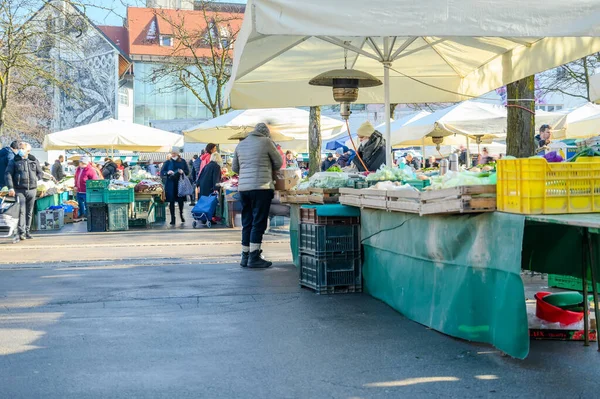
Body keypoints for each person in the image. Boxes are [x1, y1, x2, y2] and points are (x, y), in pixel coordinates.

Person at [232, 123, 283, 269]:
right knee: (259, 221)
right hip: (261, 187)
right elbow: (279, 163)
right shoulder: (266, 142)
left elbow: (235, 168)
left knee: (247, 221)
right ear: (266, 133)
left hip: (244, 189)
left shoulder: (241, 145)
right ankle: (254, 256)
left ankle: (245, 255)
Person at [5, 143, 43, 241]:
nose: (20, 150)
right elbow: (8, 174)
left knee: (29, 212)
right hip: (19, 189)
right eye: (19, 148)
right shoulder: (14, 160)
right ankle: (21, 232)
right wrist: (11, 187)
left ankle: (27, 231)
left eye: (22, 148)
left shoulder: (33, 160)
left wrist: (36, 179)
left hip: (32, 189)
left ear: (28, 151)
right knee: (21, 211)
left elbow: (40, 173)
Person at [161, 149, 190, 225]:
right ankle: (172, 218)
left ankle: (181, 214)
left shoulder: (182, 161)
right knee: (171, 201)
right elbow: (162, 172)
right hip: (170, 184)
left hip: (180, 183)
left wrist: (182, 171)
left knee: (180, 200)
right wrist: (167, 172)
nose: (173, 154)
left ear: (177, 153)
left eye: (174, 153)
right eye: (172, 153)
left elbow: (187, 171)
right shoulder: (167, 162)